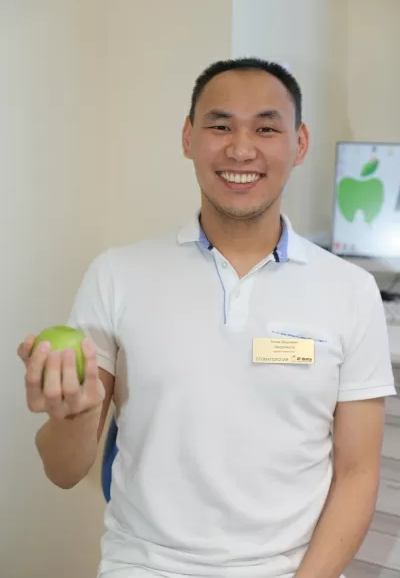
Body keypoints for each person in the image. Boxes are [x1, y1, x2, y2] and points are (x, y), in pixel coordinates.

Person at [18, 58, 396, 578]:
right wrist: (75, 416)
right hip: (143, 566)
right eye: (220, 126)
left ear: (300, 142)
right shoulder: (117, 274)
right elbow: (63, 472)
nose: (241, 149)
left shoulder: (350, 291)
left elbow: (358, 473)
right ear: (188, 138)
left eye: (266, 128)